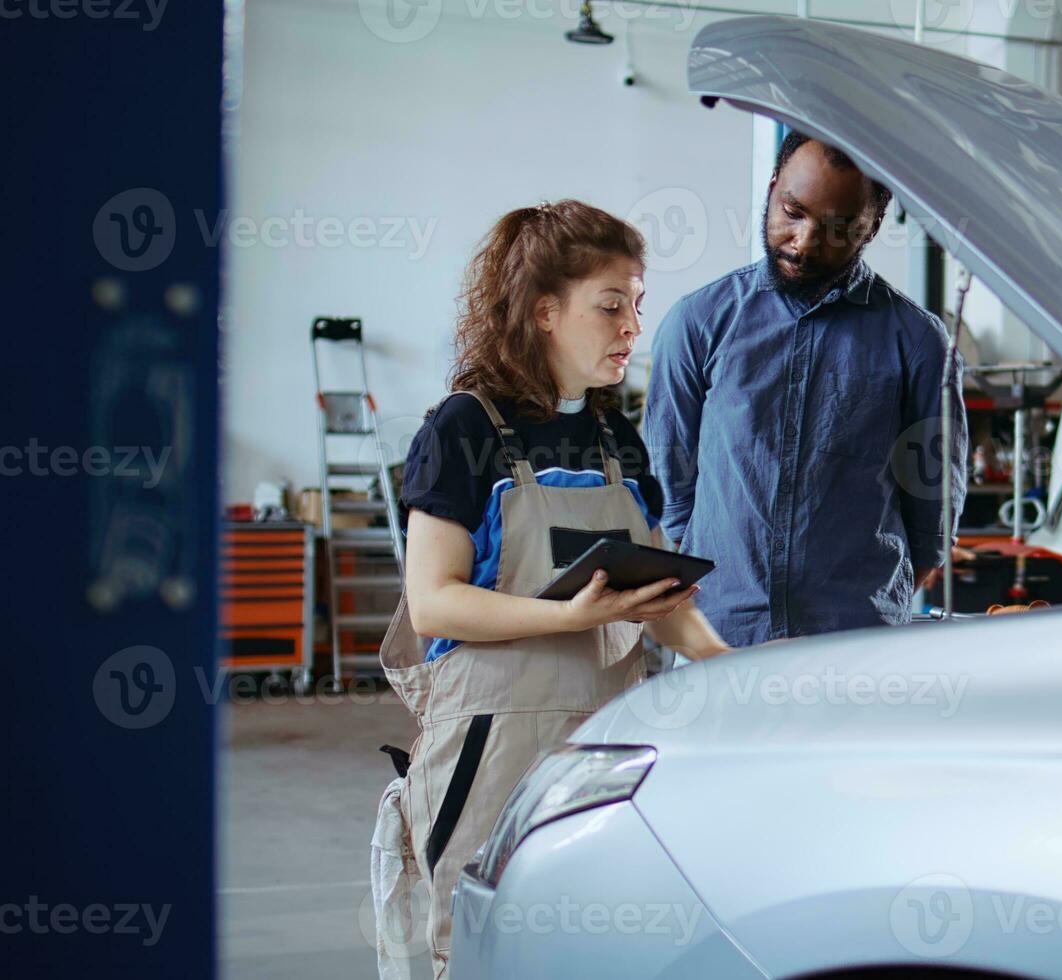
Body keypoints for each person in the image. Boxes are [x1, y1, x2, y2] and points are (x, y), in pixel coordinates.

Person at [373, 199, 731, 978]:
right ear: (543, 311)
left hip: (606, 741)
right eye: (610, 305)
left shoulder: (617, 440)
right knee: (480, 950)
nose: (632, 326)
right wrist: (566, 613)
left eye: (638, 304)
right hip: (487, 745)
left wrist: (729, 667)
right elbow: (433, 600)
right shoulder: (463, 429)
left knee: (600, 948)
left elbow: (662, 602)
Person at [645, 131, 968, 648]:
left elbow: (932, 513)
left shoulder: (918, 341)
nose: (805, 242)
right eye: (791, 212)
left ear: (873, 225)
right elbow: (667, 486)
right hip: (717, 640)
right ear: (772, 188)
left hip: (855, 646)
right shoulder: (699, 322)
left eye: (839, 228)